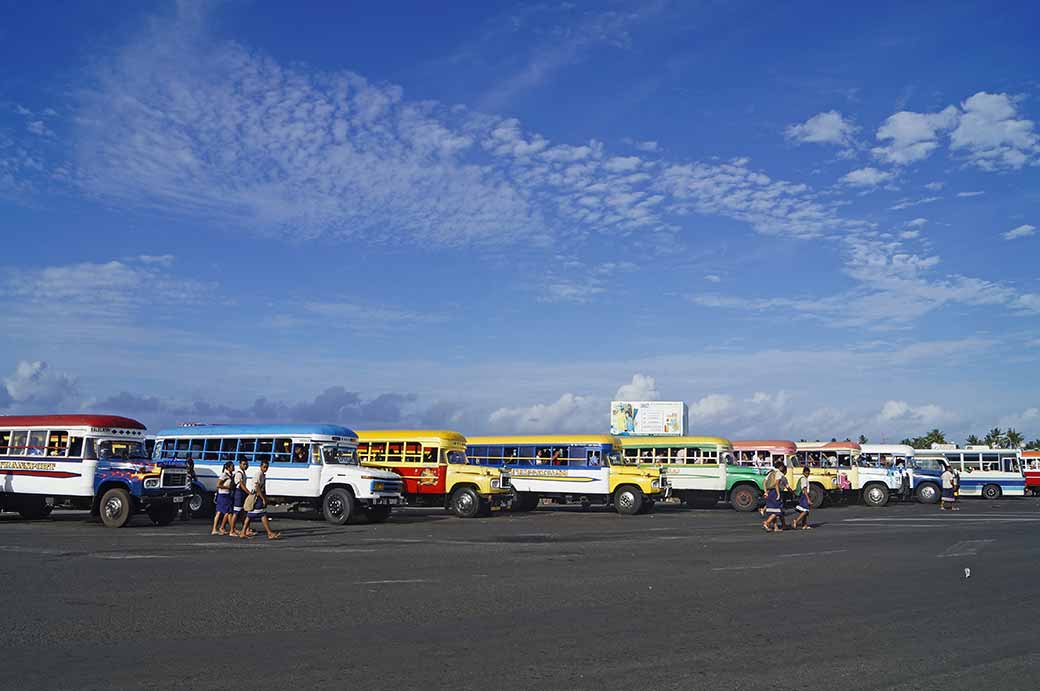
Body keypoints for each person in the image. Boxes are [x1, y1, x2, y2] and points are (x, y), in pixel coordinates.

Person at [238, 459, 280, 540]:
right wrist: (263, 498)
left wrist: (265, 497)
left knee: (254, 515)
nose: (265, 469)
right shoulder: (258, 474)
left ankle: (244, 532)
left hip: (259, 496)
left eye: (267, 467)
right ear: (261, 466)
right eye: (264, 467)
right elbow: (257, 487)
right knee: (259, 514)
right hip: (257, 497)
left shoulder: (263, 475)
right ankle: (269, 533)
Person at [228, 457, 252, 537]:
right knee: (236, 512)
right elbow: (241, 485)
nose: (245, 466)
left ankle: (246, 529)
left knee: (243, 512)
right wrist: (248, 492)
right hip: (239, 493)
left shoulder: (243, 473)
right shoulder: (239, 473)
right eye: (244, 464)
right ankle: (232, 530)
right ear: (240, 464)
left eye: (246, 464)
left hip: (242, 493)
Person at [761, 460, 785, 532]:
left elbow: (764, 482)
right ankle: (767, 523)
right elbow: (776, 484)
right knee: (777, 511)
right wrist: (778, 494)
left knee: (772, 510)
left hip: (769, 492)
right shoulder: (779, 473)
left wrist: (765, 492)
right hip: (775, 492)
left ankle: (776, 527)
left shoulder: (770, 473)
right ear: (781, 467)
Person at [212, 461, 235, 535]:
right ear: (228, 468)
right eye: (232, 466)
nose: (233, 468)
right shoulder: (224, 475)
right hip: (223, 495)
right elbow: (218, 485)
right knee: (222, 512)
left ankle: (221, 528)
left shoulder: (230, 475)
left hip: (227, 494)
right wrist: (227, 487)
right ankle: (215, 529)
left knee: (224, 512)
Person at [181, 455, 198, 521]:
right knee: (186, 502)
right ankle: (184, 515)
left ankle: (184, 515)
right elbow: (196, 479)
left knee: (185, 502)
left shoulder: (184, 469)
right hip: (187, 488)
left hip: (185, 488)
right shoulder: (190, 471)